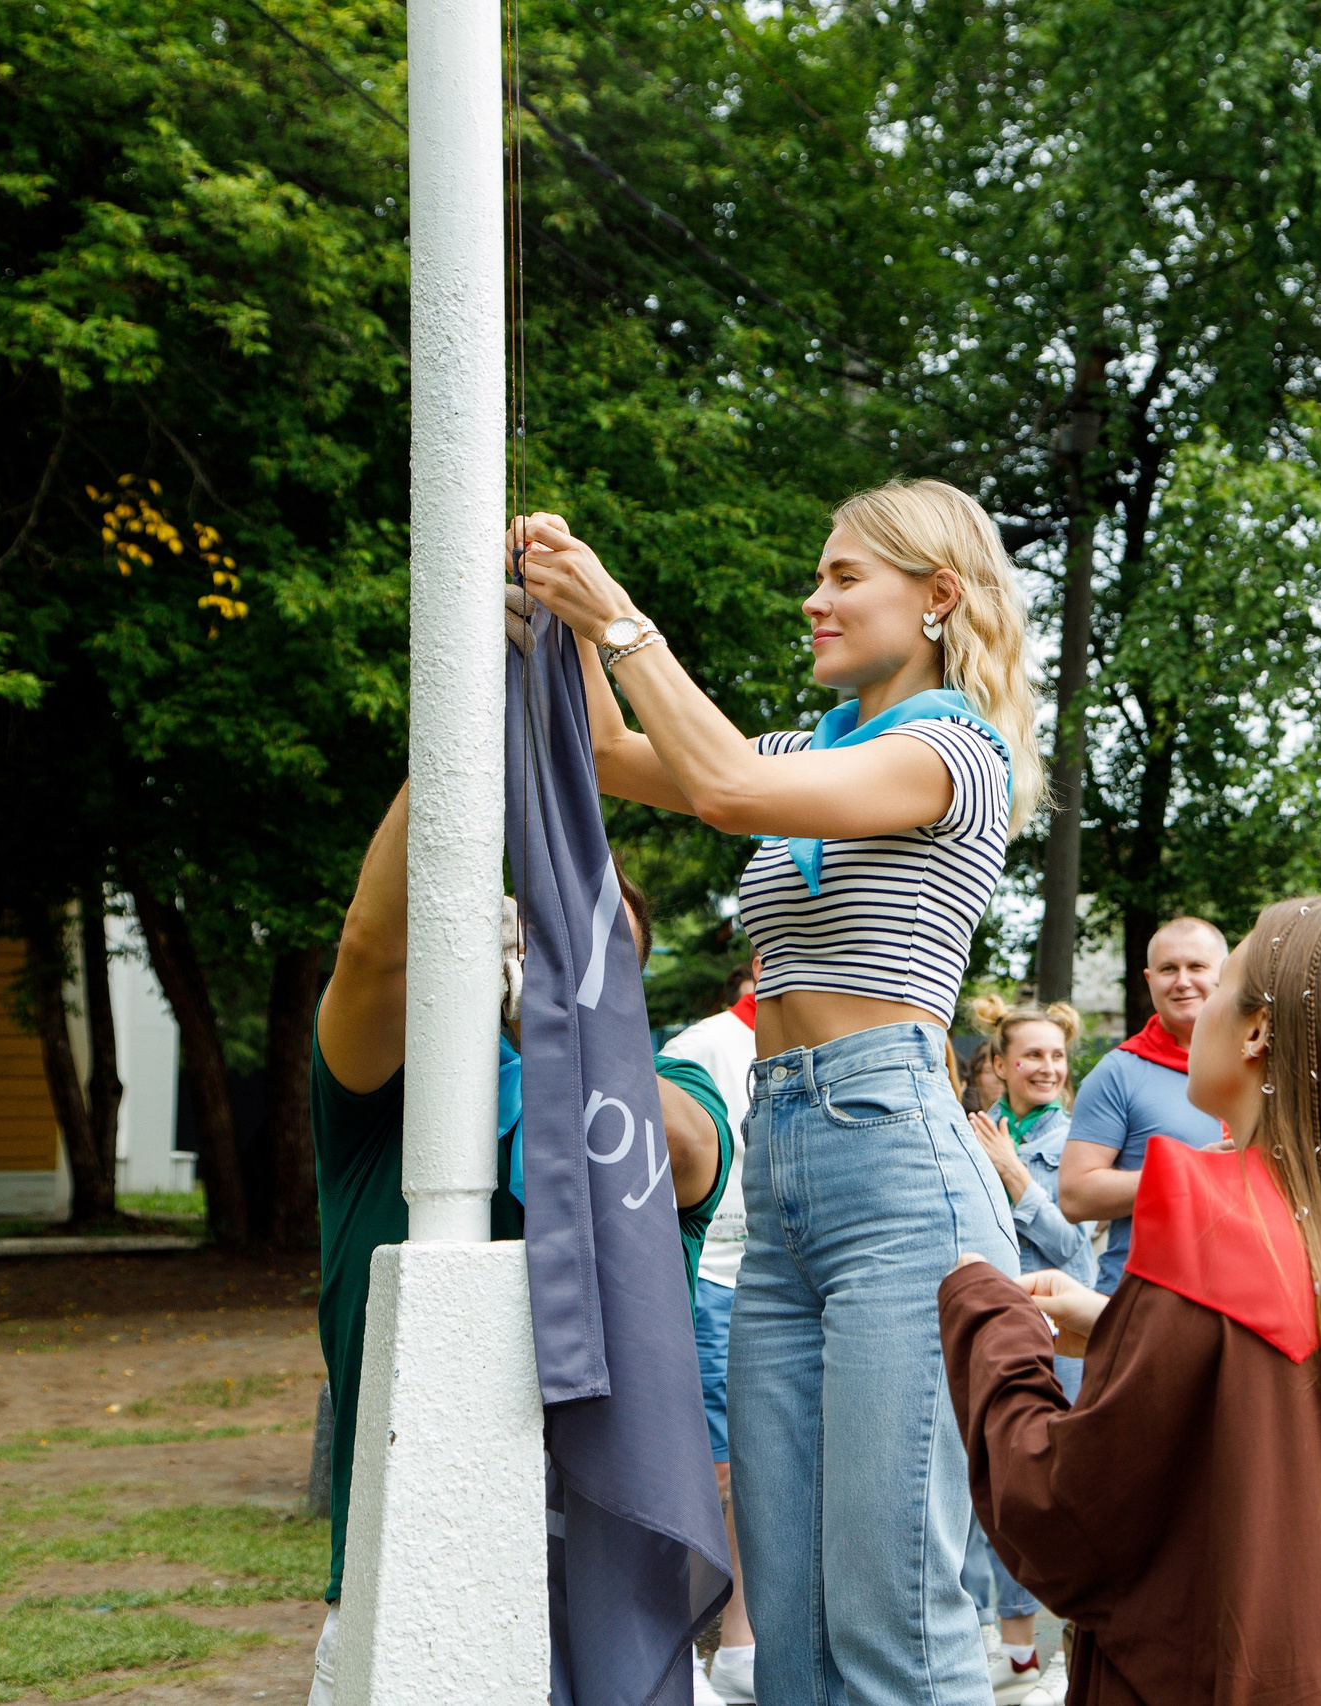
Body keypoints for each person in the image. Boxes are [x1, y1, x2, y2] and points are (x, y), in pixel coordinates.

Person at [511, 478, 1039, 1706]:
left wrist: (624, 617)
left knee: (893, 1621)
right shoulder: (819, 748)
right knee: (786, 1640)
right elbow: (604, 755)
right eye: (819, 573)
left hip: (898, 1163)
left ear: (939, 595)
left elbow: (722, 790)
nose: (814, 598)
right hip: (786, 1160)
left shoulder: (953, 752)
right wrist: (563, 611)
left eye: (845, 576)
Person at [939, 896, 1321, 1703]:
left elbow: (1065, 1511)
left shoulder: (1217, 1225)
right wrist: (1120, 1327)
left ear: (1258, 1029)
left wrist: (987, 1311)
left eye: (1222, 979)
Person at [308, 785, 732, 1706]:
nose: (559, 953)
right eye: (542, 925)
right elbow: (372, 950)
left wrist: (560, 1029)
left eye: (591, 940)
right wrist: (470, 711)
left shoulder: (673, 1096)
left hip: (611, 1608)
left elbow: (689, 1148)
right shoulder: (388, 1095)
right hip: (413, 1585)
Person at [962, 996, 1096, 1704]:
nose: (1046, 1066)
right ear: (1002, 1065)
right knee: (1000, 1496)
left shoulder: (1077, 1143)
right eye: (1032, 1055)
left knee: (1064, 1503)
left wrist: (1015, 1175)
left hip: (1061, 1347)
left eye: (1055, 1055)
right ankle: (1017, 1655)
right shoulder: (977, 1130)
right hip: (993, 1336)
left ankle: (1078, 1659)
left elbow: (1080, 1254)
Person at [663, 960, 762, 1703]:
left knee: (763, 1464)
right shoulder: (704, 1045)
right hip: (717, 1278)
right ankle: (717, 1642)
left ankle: (742, 1640)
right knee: (719, 1469)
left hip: (790, 1279)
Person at [1060, 916, 1228, 1293]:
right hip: (1146, 1300)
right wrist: (1187, 1174)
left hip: (1248, 1299)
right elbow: (1074, 1195)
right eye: (1169, 969)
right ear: (1150, 980)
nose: (1183, 981)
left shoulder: (1261, 1061)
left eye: (1196, 967)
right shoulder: (1119, 1072)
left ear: (1225, 975)